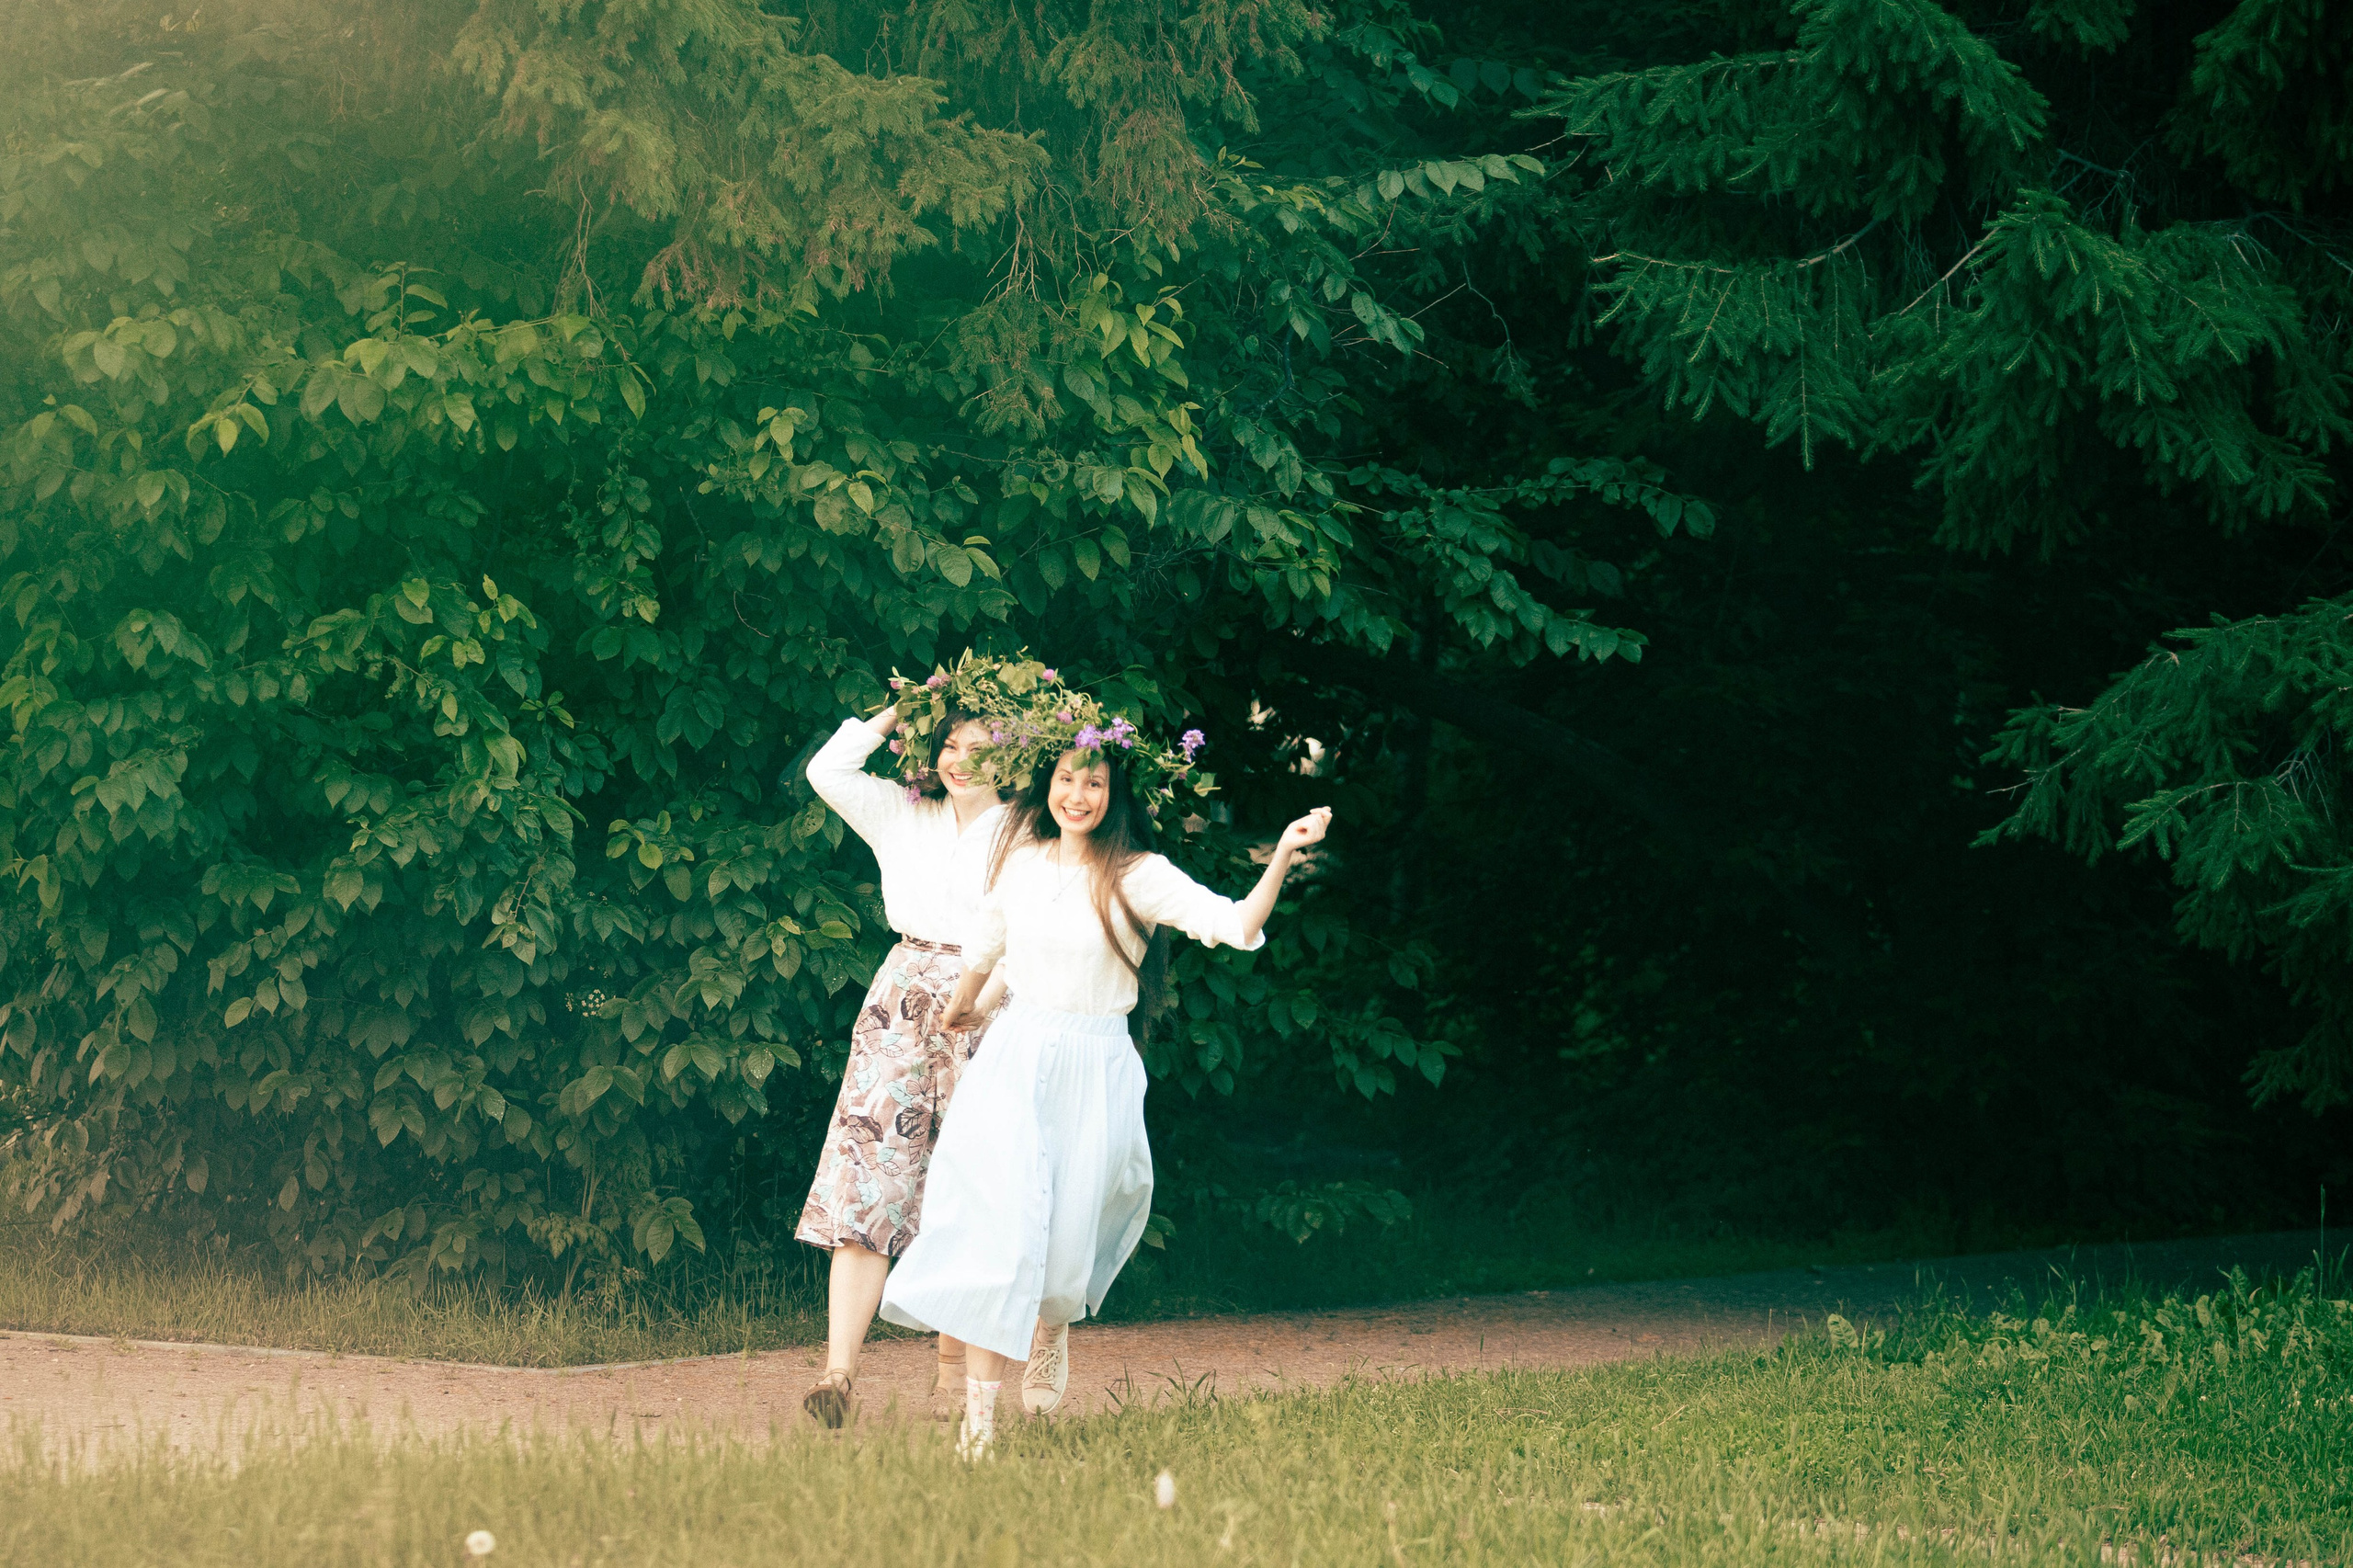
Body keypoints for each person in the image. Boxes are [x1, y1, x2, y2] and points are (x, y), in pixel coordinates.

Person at [879, 741, 1332, 1457]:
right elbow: (986, 952)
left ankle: (1052, 1323)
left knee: (1060, 1251)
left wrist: (1282, 850)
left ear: (1116, 795)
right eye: (1066, 780)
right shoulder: (1022, 864)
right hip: (1015, 1057)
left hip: (1095, 1066)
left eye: (1094, 782)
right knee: (994, 1233)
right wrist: (961, 1007)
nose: (1078, 795)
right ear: (1048, 786)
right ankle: (979, 1428)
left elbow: (1240, 926)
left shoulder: (1139, 875)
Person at [793, 702, 1011, 1427]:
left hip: (993, 1004)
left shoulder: (1028, 830)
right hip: (903, 997)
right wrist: (903, 711)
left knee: (974, 1186)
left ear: (1009, 759)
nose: (958, 760)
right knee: (870, 1174)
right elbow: (828, 769)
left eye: (978, 748)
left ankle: (956, 1377)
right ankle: (838, 1374)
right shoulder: (901, 812)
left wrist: (992, 995)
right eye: (948, 743)